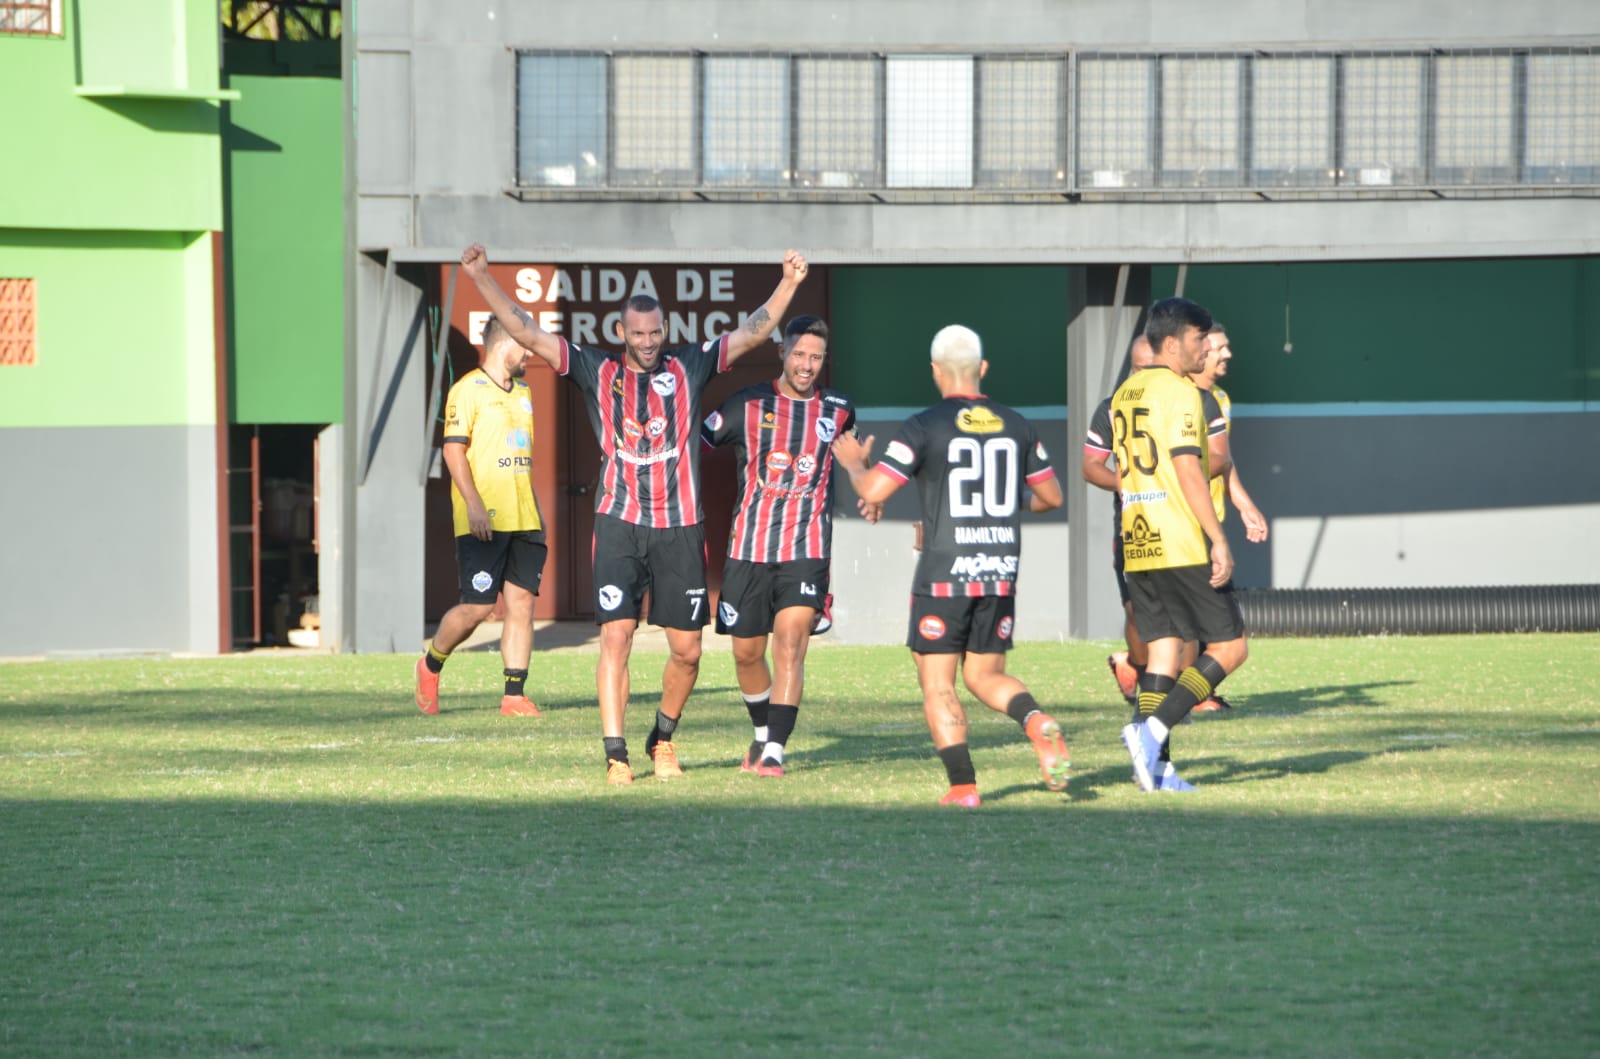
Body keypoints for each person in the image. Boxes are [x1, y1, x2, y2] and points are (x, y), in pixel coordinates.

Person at [460, 242, 810, 785]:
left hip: (680, 528)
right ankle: (616, 753)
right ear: (621, 332)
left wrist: (787, 283)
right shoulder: (593, 367)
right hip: (619, 524)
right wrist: (481, 277)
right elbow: (526, 331)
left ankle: (662, 738)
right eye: (637, 333)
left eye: (655, 333)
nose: (647, 343)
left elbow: (753, 333)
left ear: (664, 331)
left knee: (688, 652)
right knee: (616, 637)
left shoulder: (690, 364)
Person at [831, 324, 1070, 807]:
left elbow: (873, 490)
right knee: (985, 676)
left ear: (935, 372)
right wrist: (1001, 503)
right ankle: (1036, 721)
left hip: (945, 573)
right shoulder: (1017, 424)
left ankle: (963, 787)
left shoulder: (924, 425)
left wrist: (855, 464)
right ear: (982, 370)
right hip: (1000, 569)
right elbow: (1051, 497)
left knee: (938, 682)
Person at [702, 315, 877, 777]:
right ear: (782, 352)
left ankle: (776, 750)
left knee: (791, 642)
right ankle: (762, 732)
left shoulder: (839, 409)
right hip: (748, 550)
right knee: (745, 653)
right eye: (799, 354)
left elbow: (853, 461)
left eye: (815, 357)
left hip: (806, 548)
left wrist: (864, 484)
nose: (806, 365)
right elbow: (693, 443)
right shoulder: (745, 404)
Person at [1112, 298, 1250, 793]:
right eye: (1198, 339)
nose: (1204, 348)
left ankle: (1158, 769)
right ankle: (1150, 731)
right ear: (1171, 343)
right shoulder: (1182, 393)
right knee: (1230, 648)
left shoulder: (1127, 392)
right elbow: (1189, 469)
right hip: (1178, 539)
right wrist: (1218, 539)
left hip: (1139, 539)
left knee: (1164, 655)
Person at [414, 318, 548, 718]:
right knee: (477, 607)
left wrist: (536, 511)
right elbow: (453, 451)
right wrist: (472, 505)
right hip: (483, 519)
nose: (530, 352)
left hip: (524, 517)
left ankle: (513, 696)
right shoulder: (467, 390)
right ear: (503, 342)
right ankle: (431, 664)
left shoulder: (523, 392)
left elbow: (520, 459)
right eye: (524, 344)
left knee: (521, 604)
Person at [1185, 322, 1269, 712]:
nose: (1227, 354)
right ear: (1198, 352)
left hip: (1210, 519)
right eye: (1220, 347)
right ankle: (1184, 699)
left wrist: (1243, 503)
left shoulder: (1219, 399)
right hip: (1182, 523)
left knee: (1194, 620)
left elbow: (1222, 459)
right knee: (1222, 635)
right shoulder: (1179, 397)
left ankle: (1169, 688)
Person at [1082, 334, 1158, 708]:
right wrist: (1127, 483)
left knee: (1177, 612)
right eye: (1137, 368)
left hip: (1176, 521)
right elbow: (1091, 467)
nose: (1141, 376)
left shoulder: (1176, 401)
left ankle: (1181, 694)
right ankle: (1141, 675)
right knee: (1138, 611)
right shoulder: (1111, 408)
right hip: (1132, 524)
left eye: (1150, 369)